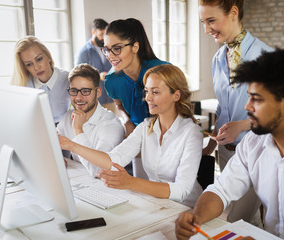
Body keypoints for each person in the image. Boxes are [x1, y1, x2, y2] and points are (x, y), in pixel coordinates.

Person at [175, 49, 284, 240]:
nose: (247, 107)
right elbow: (220, 190)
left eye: (257, 99)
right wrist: (195, 217)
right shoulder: (253, 143)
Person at [59, 64, 204, 207]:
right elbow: (113, 160)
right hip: (157, 204)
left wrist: (131, 182)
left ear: (176, 95)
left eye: (155, 92)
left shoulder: (191, 132)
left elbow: (182, 190)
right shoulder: (145, 127)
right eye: (146, 91)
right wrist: (72, 145)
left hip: (188, 208)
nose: (148, 98)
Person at [199, 0, 273, 223]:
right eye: (203, 22)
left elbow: (276, 111)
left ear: (233, 13)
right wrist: (212, 144)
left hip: (256, 151)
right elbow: (223, 107)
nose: (206, 29)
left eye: (211, 21)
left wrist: (241, 126)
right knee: (238, 219)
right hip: (225, 152)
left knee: (239, 218)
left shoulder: (266, 57)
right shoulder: (217, 59)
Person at [102, 18, 169, 177]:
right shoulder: (112, 81)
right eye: (106, 49)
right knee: (142, 189)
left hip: (167, 139)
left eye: (117, 48)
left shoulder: (163, 70)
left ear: (135, 47)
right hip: (138, 140)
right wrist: (127, 120)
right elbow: (120, 106)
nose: (110, 56)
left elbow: (179, 109)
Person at [56, 64, 124, 177]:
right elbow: (51, 143)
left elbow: (98, 170)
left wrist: (78, 130)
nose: (78, 97)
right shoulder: (68, 116)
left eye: (85, 91)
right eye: (74, 91)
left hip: (105, 185)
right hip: (80, 179)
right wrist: (55, 158)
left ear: (98, 92)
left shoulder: (111, 125)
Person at [11, 36, 70, 125]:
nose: (36, 67)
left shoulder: (68, 78)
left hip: (65, 130)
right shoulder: (23, 85)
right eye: (29, 64)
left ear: (48, 56)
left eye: (39, 59)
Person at [76, 18, 116, 113]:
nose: (103, 38)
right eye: (101, 34)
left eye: (105, 34)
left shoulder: (109, 49)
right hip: (93, 101)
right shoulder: (84, 52)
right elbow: (78, 75)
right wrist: (98, 76)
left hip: (111, 98)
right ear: (93, 32)